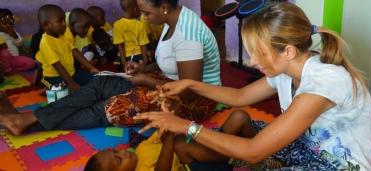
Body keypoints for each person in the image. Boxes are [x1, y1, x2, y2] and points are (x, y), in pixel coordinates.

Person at [135, 2, 371, 170]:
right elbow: (240, 96)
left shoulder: (325, 81)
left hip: (337, 165)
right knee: (237, 128)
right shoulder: (288, 67)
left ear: (288, 51)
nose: (252, 61)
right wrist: (190, 84)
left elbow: (254, 150)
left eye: (258, 53)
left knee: (249, 148)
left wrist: (185, 126)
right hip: (306, 146)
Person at [0, 0, 221, 136]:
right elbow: (172, 63)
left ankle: (26, 122)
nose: (143, 17)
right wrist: (143, 67)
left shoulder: (187, 34)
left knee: (110, 106)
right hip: (165, 81)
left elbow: (191, 91)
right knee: (101, 83)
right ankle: (27, 119)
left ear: (163, 7)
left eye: (146, 12)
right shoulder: (171, 20)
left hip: (194, 101)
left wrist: (146, 81)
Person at [84, 111, 255, 171]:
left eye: (115, 150)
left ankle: (257, 156)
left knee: (239, 117)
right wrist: (169, 141)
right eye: (119, 160)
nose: (123, 152)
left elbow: (162, 132)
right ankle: (239, 157)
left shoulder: (142, 147)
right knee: (179, 145)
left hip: (209, 153)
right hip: (201, 166)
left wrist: (168, 115)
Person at [34, 5, 98, 91]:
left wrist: (91, 68)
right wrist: (71, 83)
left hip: (71, 73)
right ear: (46, 25)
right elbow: (58, 65)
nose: (64, 24)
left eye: (64, 20)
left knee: (94, 79)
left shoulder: (63, 36)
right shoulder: (46, 42)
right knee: (66, 91)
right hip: (53, 76)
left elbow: (75, 52)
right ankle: (46, 85)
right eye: (59, 21)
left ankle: (52, 87)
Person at [113, 0, 149, 69]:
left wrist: (124, 64)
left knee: (117, 64)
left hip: (124, 58)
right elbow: (143, 45)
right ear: (135, 9)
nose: (141, 11)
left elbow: (120, 46)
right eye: (139, 8)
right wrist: (145, 61)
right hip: (138, 56)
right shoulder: (140, 24)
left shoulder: (117, 25)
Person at [0, 9, 36, 74]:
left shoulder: (13, 33)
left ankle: (12, 71)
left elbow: (20, 44)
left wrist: (15, 36)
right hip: (2, 61)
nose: (8, 25)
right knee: (5, 53)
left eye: (10, 23)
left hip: (14, 58)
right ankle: (6, 70)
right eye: (4, 23)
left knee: (32, 63)